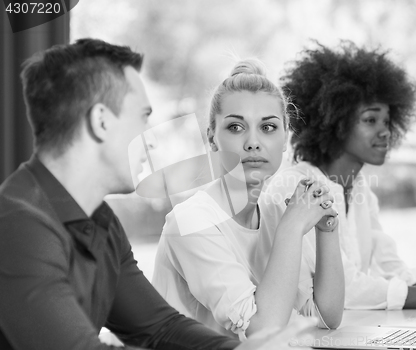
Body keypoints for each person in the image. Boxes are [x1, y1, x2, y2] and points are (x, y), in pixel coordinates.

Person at [0, 38, 318, 350]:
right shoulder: (18, 225)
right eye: (142, 117)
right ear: (100, 122)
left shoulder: (101, 222)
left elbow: (158, 327)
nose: (150, 141)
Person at [265, 41, 416, 310]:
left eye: (387, 121)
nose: (385, 131)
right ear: (333, 121)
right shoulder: (298, 187)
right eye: (370, 120)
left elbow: (392, 268)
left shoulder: (361, 189)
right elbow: (347, 289)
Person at [152, 59, 345, 339]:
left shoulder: (273, 211)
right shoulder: (190, 222)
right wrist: (291, 228)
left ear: (285, 138)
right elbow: (262, 330)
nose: (253, 142)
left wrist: (327, 228)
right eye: (235, 127)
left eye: (267, 128)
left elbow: (326, 317)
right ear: (212, 139)